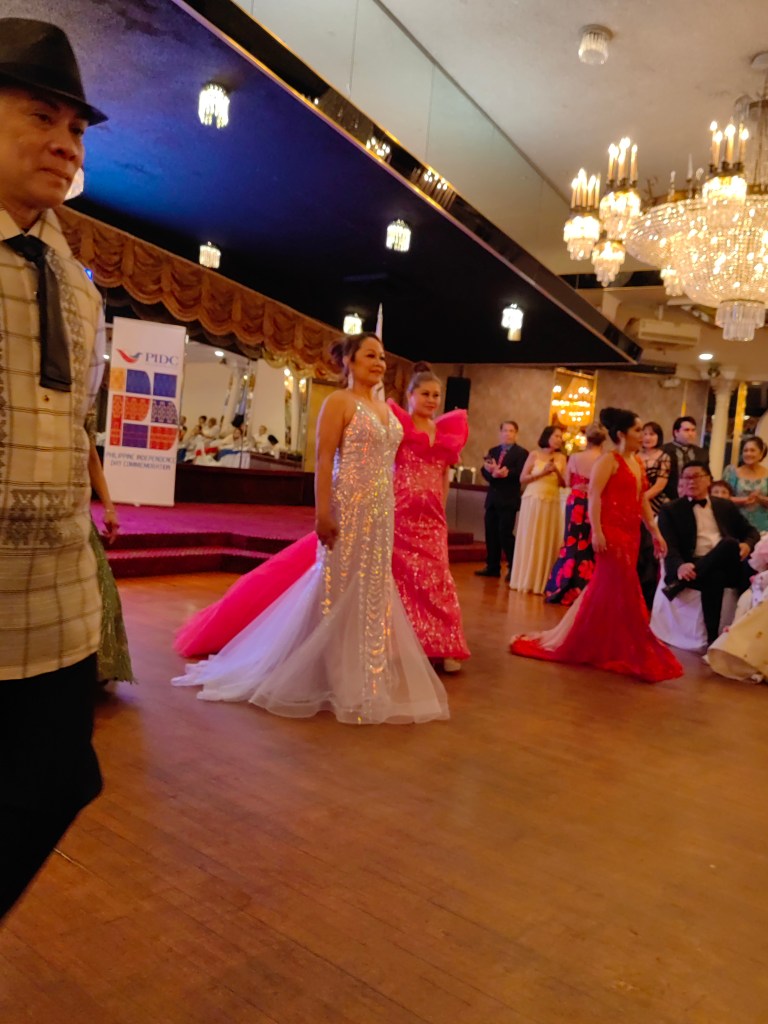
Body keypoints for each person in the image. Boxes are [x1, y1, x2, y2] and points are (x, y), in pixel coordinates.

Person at [173, 334, 449, 725]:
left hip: (382, 513)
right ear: (349, 361)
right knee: (336, 587)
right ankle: (331, 674)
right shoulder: (339, 402)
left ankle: (365, 676)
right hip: (348, 507)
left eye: (382, 357)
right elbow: (323, 459)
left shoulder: (386, 409)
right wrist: (323, 514)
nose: (379, 363)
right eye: (370, 355)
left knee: (372, 590)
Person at [0, 18, 108, 918]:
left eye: (74, 129)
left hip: (58, 605)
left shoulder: (75, 279)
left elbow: (75, 422)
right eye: (41, 118)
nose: (66, 145)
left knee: (63, 778)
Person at [510, 408, 683, 683]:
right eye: (638, 430)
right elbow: (594, 496)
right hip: (611, 533)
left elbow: (641, 500)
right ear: (621, 434)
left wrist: (655, 531)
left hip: (631, 533)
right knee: (617, 585)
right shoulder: (609, 461)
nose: (642, 435)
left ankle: (609, 641)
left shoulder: (637, 462)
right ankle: (596, 640)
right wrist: (597, 531)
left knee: (612, 587)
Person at [388, 363, 470, 672]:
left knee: (437, 578)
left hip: (432, 518)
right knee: (401, 578)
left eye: (436, 395)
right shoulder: (398, 426)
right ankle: (400, 644)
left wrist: (442, 507)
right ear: (410, 395)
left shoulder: (445, 432)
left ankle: (444, 645)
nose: (432, 400)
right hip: (400, 512)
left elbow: (444, 473)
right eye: (425, 394)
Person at [658, 461, 759, 644]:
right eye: (686, 478)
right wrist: (680, 566)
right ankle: (713, 640)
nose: (691, 482)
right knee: (715, 577)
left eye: (696, 477)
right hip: (693, 565)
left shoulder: (725, 506)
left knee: (729, 543)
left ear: (709, 480)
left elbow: (751, 532)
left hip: (728, 562)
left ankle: (678, 585)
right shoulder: (670, 510)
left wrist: (747, 544)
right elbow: (669, 546)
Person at [87, 416, 134, 687]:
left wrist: (109, 507)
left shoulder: (79, 400)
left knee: (99, 588)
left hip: (71, 512)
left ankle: (97, 665)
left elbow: (91, 456)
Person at [544, 421, 606, 605]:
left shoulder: (576, 457)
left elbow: (568, 482)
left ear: (587, 438)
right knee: (587, 543)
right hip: (595, 503)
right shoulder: (604, 460)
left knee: (571, 542)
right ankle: (585, 588)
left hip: (576, 501)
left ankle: (561, 585)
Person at [508, 425, 566, 595]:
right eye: (556, 436)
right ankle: (525, 579)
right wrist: (543, 473)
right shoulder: (534, 454)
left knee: (546, 538)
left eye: (560, 437)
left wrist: (556, 471)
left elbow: (564, 483)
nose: (559, 439)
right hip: (533, 499)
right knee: (531, 537)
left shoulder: (562, 458)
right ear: (547, 437)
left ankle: (543, 581)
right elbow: (523, 478)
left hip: (551, 500)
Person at [475, 421, 528, 581]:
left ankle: (513, 568)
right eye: (505, 431)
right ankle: (492, 567)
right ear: (500, 433)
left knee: (505, 534)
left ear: (516, 434)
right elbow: (484, 470)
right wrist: (492, 473)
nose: (508, 434)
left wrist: (506, 473)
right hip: (493, 499)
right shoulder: (494, 451)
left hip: (508, 499)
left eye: (511, 431)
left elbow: (520, 473)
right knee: (490, 533)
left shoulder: (521, 453)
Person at [722, 435, 768, 533]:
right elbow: (722, 498)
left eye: (752, 450)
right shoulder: (731, 473)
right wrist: (744, 500)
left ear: (761, 454)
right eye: (745, 450)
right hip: (737, 524)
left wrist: (760, 498)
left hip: (764, 527)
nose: (748, 454)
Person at [661, 416, 708, 502]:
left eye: (693, 430)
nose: (690, 434)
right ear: (676, 432)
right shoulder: (663, 450)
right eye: (686, 430)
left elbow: (706, 476)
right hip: (669, 498)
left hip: (695, 498)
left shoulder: (702, 453)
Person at [638, 421, 672, 515]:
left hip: (656, 502)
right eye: (645, 434)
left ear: (658, 437)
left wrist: (641, 499)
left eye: (652, 434)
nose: (647, 437)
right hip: (635, 500)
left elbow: (659, 486)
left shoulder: (664, 457)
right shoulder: (634, 456)